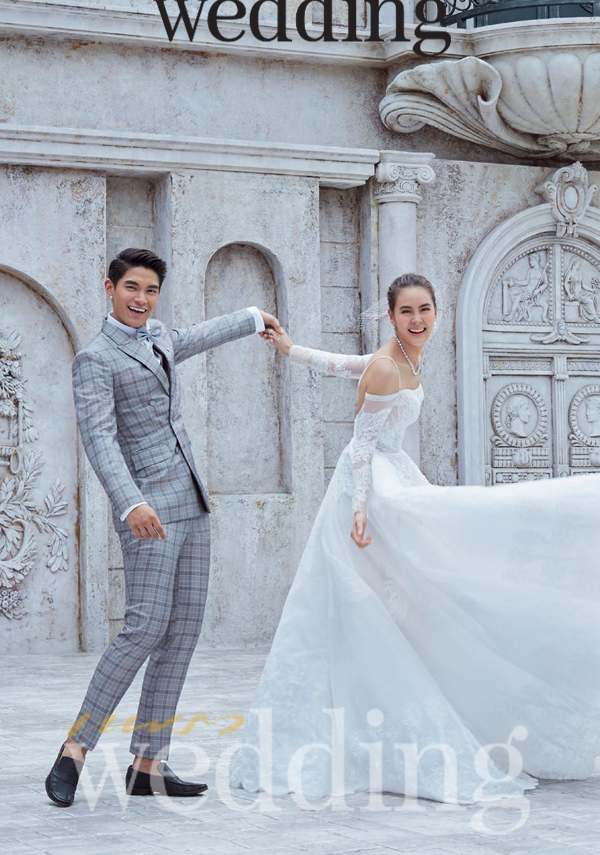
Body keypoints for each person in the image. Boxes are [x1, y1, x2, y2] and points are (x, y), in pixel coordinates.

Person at [229, 272, 600, 805]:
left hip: (389, 474)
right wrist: (360, 511)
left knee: (411, 601)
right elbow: (361, 447)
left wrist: (291, 350)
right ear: (391, 315)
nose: (417, 319)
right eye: (406, 311)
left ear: (436, 312)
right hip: (370, 490)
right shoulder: (388, 366)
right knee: (378, 606)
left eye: (425, 309)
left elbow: (343, 365)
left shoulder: (399, 357)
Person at [45, 247, 282, 807]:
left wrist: (254, 317)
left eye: (151, 290)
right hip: (147, 512)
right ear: (110, 288)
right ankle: (74, 750)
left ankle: (147, 764)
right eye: (132, 287)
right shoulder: (95, 359)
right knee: (144, 628)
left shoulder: (159, 337)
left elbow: (198, 335)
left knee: (182, 630)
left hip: (191, 504)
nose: (141, 299)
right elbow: (100, 439)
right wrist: (130, 503)